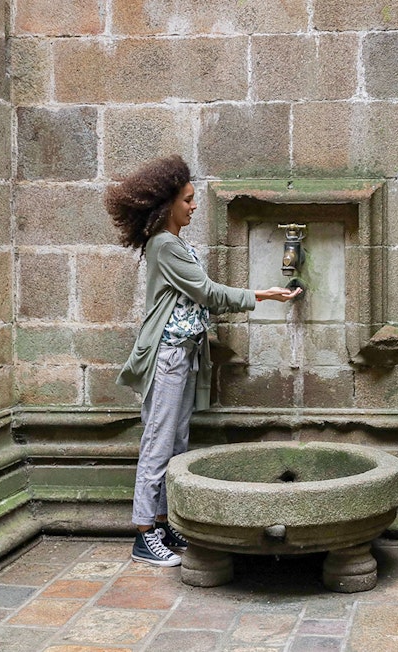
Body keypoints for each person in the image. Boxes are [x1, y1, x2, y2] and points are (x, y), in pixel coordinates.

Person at [106, 155, 301, 567]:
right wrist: (261, 295)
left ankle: (164, 524)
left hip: (185, 353)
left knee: (176, 443)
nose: (194, 206)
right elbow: (207, 293)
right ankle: (143, 533)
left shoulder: (176, 244)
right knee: (159, 442)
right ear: (167, 205)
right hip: (167, 356)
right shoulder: (164, 245)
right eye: (188, 199)